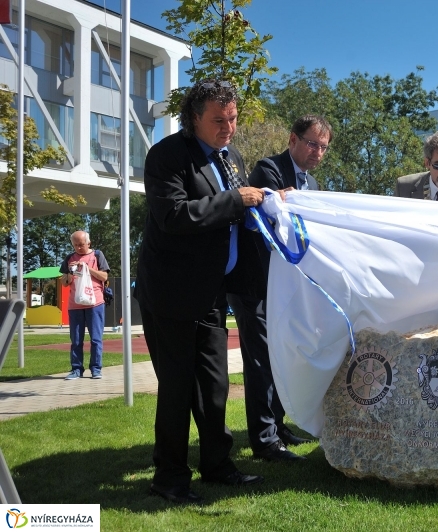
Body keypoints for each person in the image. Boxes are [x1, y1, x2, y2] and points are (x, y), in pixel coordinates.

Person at [135, 79, 265, 504]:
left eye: (233, 119)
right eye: (218, 120)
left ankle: (217, 465)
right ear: (194, 118)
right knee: (177, 389)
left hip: (212, 293)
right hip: (170, 295)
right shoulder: (167, 155)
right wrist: (237, 200)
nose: (228, 128)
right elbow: (174, 215)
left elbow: (239, 210)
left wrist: (267, 202)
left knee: (214, 385)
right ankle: (169, 478)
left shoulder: (232, 157)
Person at [234, 114, 332, 461]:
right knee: (261, 359)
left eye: (323, 147)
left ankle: (277, 424)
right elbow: (274, 215)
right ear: (293, 140)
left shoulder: (312, 183)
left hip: (286, 287)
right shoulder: (269, 170)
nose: (317, 152)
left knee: (281, 355)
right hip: (254, 283)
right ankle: (264, 440)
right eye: (312, 143)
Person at [59, 231, 110, 380]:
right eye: (75, 245)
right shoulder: (69, 258)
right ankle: (76, 369)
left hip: (95, 302)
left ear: (88, 243)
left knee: (96, 338)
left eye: (81, 244)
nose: (78, 248)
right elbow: (64, 282)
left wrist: (87, 268)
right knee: (76, 340)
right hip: (75, 304)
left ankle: (96, 369)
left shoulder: (97, 255)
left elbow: (104, 276)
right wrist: (70, 273)